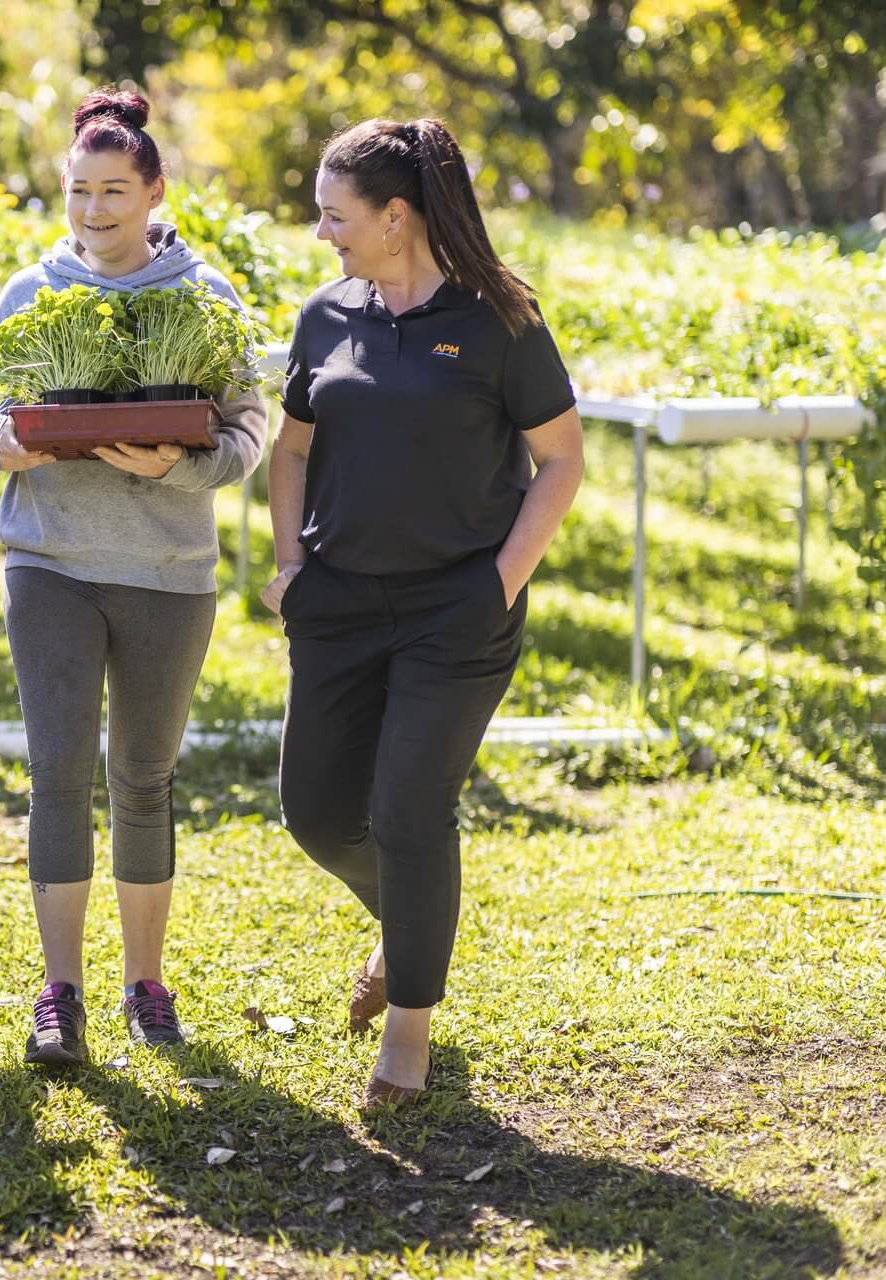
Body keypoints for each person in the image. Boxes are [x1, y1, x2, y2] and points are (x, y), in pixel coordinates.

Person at [265, 118, 584, 1106]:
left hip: (457, 609)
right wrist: (289, 566)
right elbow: (288, 451)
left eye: (335, 215)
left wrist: (501, 579)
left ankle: (408, 1029)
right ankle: (409, 924)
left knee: (408, 807)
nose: (324, 233)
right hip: (340, 606)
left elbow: (562, 459)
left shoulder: (500, 321)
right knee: (316, 811)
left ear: (395, 216)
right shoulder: (325, 317)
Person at [0, 89, 268, 1067]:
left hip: (167, 573)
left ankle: (147, 981)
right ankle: (61, 992)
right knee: (57, 772)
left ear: (153, 192)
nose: (93, 210)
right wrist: (16, 444)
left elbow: (248, 429)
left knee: (143, 775)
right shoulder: (31, 291)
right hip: (50, 566)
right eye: (77, 191)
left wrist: (175, 466)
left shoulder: (204, 295)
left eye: (112, 191)